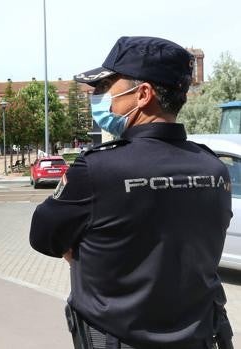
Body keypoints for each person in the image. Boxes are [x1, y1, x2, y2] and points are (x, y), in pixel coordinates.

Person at [29, 37, 233, 349]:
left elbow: (44, 237)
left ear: (142, 94)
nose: (98, 97)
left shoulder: (98, 169)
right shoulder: (213, 168)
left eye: (106, 87)